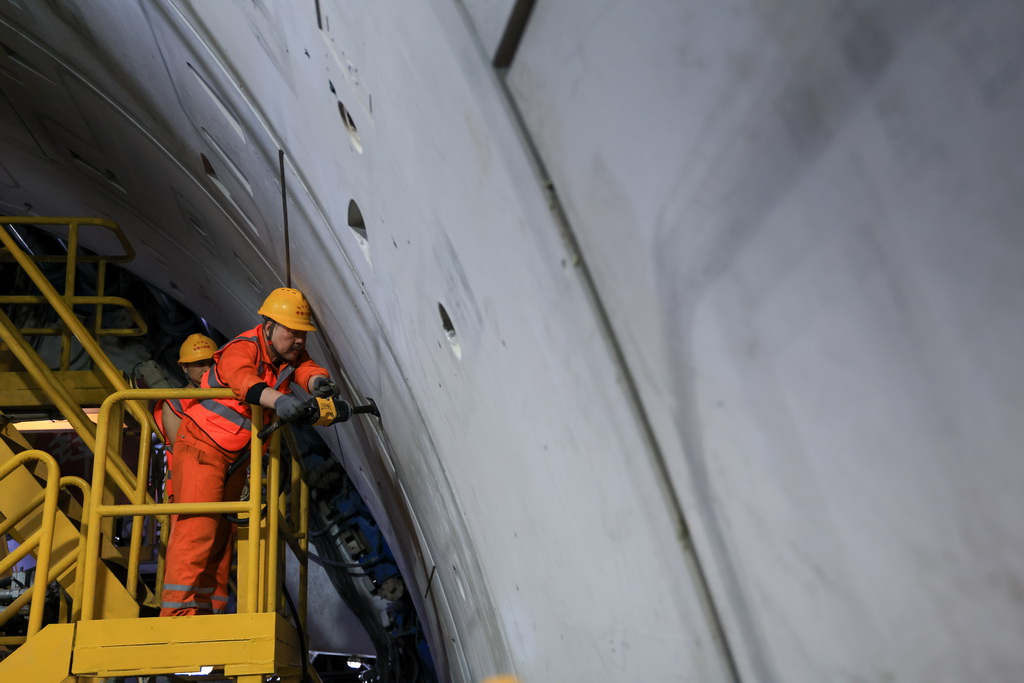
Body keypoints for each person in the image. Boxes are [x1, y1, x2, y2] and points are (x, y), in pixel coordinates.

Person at [160, 288, 338, 616]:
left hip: (234, 456)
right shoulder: (242, 349)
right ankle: (176, 615)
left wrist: (317, 383)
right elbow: (243, 380)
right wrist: (280, 401)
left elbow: (305, 368)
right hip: (202, 448)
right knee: (197, 531)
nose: (299, 340)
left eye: (303, 334)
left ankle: (204, 610)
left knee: (218, 537)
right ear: (268, 327)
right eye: (292, 332)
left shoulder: (285, 354)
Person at [153, 334, 217, 502]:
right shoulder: (176, 403)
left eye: (211, 363)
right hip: (187, 486)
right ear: (185, 367)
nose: (207, 369)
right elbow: (182, 449)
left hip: (221, 482)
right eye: (200, 364)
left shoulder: (227, 398)